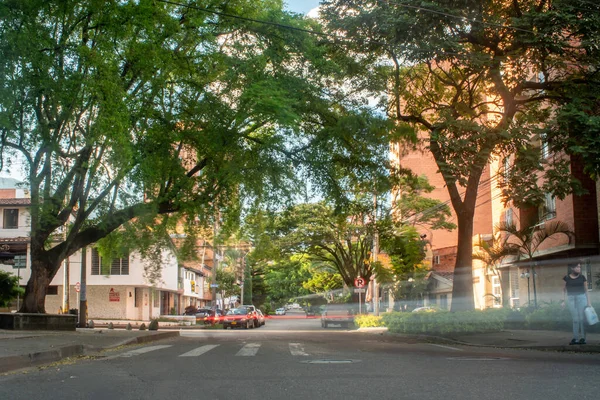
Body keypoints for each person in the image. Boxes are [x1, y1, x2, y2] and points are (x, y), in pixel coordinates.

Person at [562, 262, 591, 345]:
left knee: (582, 319)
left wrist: (589, 302)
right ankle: (575, 338)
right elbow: (563, 290)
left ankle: (583, 338)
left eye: (580, 267)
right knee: (575, 319)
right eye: (577, 267)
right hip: (571, 299)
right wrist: (563, 301)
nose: (579, 268)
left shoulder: (582, 277)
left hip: (582, 298)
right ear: (572, 268)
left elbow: (586, 290)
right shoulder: (566, 278)